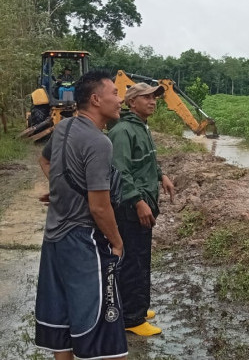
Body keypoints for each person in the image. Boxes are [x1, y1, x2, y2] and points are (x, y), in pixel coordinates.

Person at [34, 69, 127, 360]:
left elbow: (45, 159)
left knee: (63, 334)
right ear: (97, 100)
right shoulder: (100, 143)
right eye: (114, 93)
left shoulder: (63, 128)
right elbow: (99, 207)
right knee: (104, 334)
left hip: (54, 243)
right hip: (83, 243)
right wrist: (117, 242)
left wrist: (62, 189)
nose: (120, 98)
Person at [108, 82, 175, 336]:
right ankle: (132, 319)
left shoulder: (141, 128)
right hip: (131, 208)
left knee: (140, 256)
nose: (152, 101)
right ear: (131, 102)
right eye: (146, 97)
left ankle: (137, 305)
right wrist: (138, 202)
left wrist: (162, 176)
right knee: (134, 260)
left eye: (154, 97)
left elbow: (146, 160)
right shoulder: (123, 131)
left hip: (143, 202)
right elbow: (121, 171)